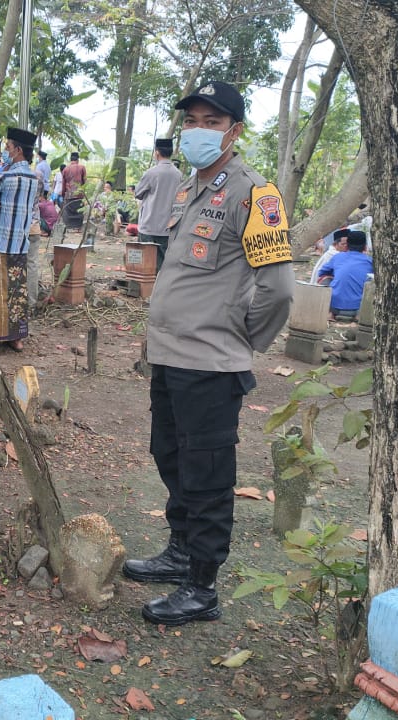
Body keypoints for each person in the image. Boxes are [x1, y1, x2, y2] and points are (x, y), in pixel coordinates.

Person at [122, 81, 293, 627]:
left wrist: (242, 339)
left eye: (211, 122)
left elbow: (279, 289)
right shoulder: (190, 188)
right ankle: (179, 551)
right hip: (171, 356)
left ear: (234, 131)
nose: (198, 129)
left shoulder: (257, 194)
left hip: (212, 364)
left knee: (208, 472)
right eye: (191, 120)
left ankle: (202, 586)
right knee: (168, 454)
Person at [0, 126, 41, 351]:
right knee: (17, 290)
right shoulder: (34, 178)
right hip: (21, 243)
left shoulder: (5, 176)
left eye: (8, 147)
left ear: (18, 150)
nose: (5, 150)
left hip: (1, 243)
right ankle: (17, 337)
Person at [133, 138, 182, 268]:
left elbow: (138, 193)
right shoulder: (178, 175)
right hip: (168, 228)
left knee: (144, 265)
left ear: (157, 153)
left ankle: (145, 288)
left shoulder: (152, 173)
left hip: (149, 226)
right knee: (163, 265)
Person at [317, 229, 373, 320]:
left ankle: (329, 313)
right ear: (365, 247)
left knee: (325, 278)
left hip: (335, 308)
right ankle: (359, 316)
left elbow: (321, 273)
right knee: (372, 280)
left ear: (347, 246)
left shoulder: (337, 257)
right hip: (359, 308)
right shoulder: (370, 261)